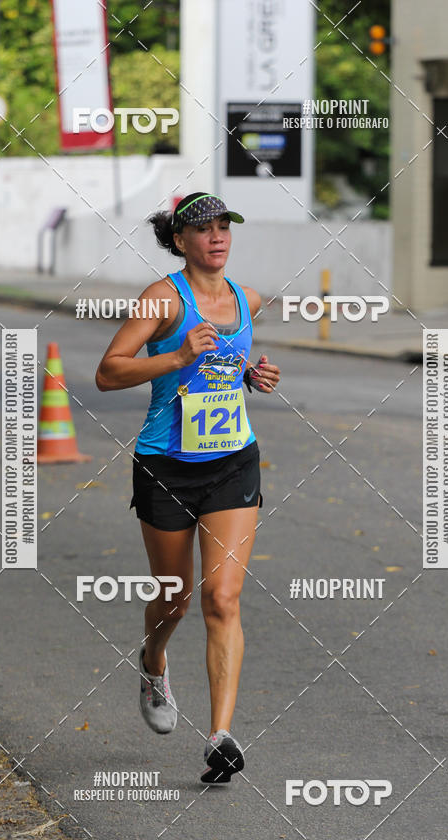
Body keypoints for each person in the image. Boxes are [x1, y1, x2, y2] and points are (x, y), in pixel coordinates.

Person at [95, 192, 280, 783]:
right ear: (181, 241)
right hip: (166, 467)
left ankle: (221, 736)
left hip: (232, 462)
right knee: (173, 597)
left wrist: (252, 374)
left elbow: (225, 366)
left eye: (225, 226)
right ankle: (153, 661)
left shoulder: (247, 299)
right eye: (203, 229)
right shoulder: (162, 301)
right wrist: (174, 357)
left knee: (222, 598)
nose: (217, 237)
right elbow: (108, 372)